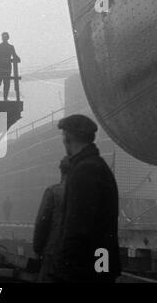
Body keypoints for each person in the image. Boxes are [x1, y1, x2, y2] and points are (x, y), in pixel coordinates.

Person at [54, 115, 121, 283]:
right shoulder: (98, 166)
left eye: (63, 136)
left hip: (85, 269)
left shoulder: (84, 171)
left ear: (68, 137)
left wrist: (65, 268)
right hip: (99, 262)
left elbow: (76, 227)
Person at [33, 156, 70, 283]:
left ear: (61, 171)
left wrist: (37, 249)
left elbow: (41, 223)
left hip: (54, 255)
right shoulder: (88, 194)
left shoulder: (53, 192)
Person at [0, 32, 20, 101]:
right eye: (3, 37)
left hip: (1, 68)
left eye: (5, 37)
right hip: (4, 68)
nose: (4, 38)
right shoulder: (9, 47)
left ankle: (0, 99)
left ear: (7, 38)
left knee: (4, 84)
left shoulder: (2, 47)